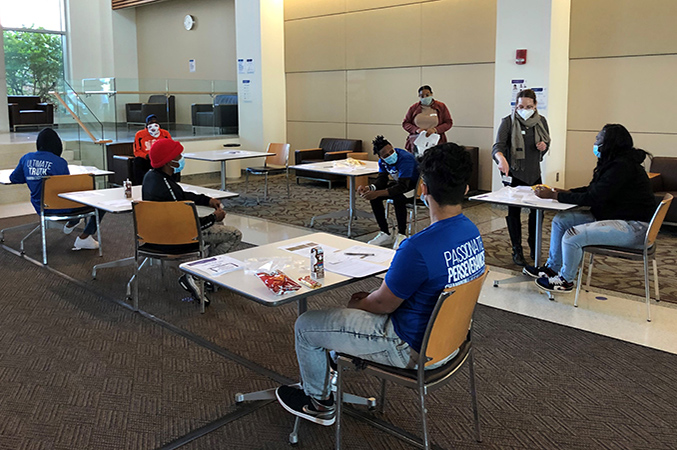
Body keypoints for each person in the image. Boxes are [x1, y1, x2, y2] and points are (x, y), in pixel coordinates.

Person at [275, 142, 485, 426]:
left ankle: (318, 402)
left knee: (307, 326)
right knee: (348, 317)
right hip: (451, 342)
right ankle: (336, 360)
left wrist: (357, 303)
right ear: (467, 190)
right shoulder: (472, 233)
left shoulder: (417, 248)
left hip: (409, 347)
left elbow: (380, 304)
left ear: (423, 190)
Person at [524, 124, 656, 293]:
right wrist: (567, 192)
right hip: (614, 215)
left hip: (633, 227)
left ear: (610, 143)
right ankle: (552, 268)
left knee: (572, 236)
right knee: (561, 220)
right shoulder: (616, 162)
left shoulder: (622, 167)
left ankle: (565, 280)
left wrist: (554, 196)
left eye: (599, 138)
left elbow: (593, 198)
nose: (595, 142)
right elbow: (595, 189)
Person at [142, 139, 243, 304]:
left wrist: (206, 200)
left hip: (155, 233)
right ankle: (199, 274)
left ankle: (207, 274)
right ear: (169, 161)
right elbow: (188, 225)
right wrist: (213, 218)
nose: (181, 158)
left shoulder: (152, 177)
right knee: (233, 234)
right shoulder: (167, 186)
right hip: (175, 238)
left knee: (219, 228)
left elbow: (182, 197)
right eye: (178, 155)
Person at [9, 128, 102, 250]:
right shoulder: (59, 162)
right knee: (100, 204)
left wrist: (32, 177)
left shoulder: (26, 158)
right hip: (61, 206)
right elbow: (66, 188)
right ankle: (84, 238)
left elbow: (14, 178)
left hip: (41, 206)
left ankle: (72, 222)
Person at [492, 88, 550, 266]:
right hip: (515, 173)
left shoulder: (541, 121)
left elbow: (547, 142)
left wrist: (544, 146)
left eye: (528, 106)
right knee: (514, 212)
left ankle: (533, 244)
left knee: (537, 212)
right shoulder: (508, 122)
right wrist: (501, 159)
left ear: (535, 106)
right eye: (520, 106)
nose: (524, 109)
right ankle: (517, 248)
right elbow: (497, 147)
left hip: (534, 173)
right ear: (516, 106)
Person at [358, 135, 419, 250]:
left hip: (413, 186)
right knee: (374, 198)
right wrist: (370, 188)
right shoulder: (382, 162)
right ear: (380, 157)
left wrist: (378, 192)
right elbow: (382, 180)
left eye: (392, 151)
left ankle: (402, 234)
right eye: (386, 155)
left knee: (398, 197)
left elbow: (402, 186)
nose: (390, 155)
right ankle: (385, 232)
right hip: (399, 184)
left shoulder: (405, 158)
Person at [402, 85, 453, 155]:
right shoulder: (413, 108)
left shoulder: (441, 106)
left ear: (431, 94)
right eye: (422, 96)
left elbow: (448, 122)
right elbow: (406, 123)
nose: (425, 97)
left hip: (436, 142)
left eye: (427, 95)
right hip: (417, 141)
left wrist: (435, 129)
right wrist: (416, 130)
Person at [133, 114, 172, 185]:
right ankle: (140, 184)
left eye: (155, 123)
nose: (153, 125)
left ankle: (170, 184)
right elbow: (137, 151)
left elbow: (170, 147)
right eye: (151, 123)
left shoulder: (165, 134)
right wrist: (146, 156)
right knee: (137, 161)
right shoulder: (140, 135)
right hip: (147, 159)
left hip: (161, 159)